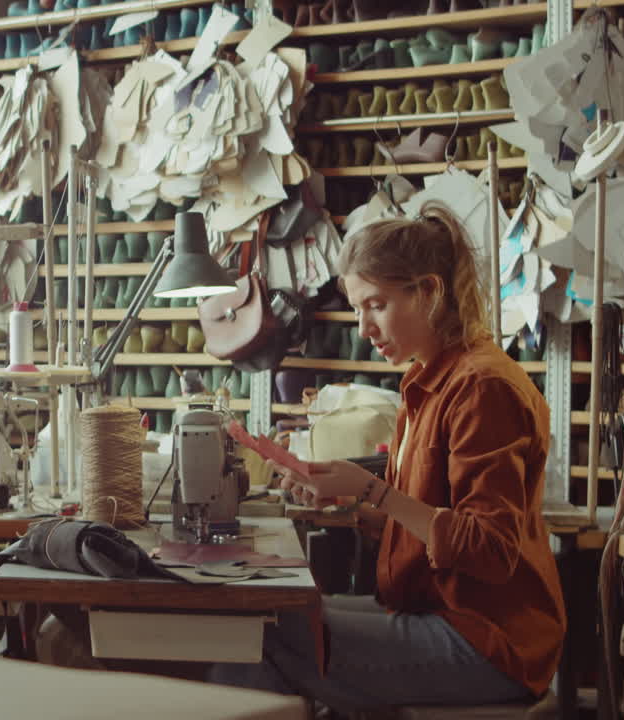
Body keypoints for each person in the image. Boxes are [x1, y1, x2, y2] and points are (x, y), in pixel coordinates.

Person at [211, 204, 566, 712]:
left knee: (256, 639)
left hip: (489, 643)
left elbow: (489, 548)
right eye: (358, 308)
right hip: (440, 611)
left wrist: (371, 488)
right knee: (263, 618)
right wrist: (353, 503)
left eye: (376, 305)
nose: (363, 328)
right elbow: (424, 517)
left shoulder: (482, 387)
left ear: (429, 292)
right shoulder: (429, 381)